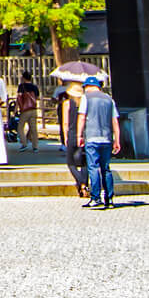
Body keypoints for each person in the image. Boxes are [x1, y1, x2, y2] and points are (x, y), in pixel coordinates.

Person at [79, 74, 120, 208]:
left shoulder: (86, 98)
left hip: (92, 137)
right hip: (107, 138)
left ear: (88, 86)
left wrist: (79, 135)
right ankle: (109, 198)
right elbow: (115, 121)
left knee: (93, 167)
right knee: (106, 169)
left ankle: (95, 198)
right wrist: (117, 140)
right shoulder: (109, 99)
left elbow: (82, 117)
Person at [57, 80, 89, 201]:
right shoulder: (85, 103)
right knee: (84, 162)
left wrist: (65, 137)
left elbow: (65, 122)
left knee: (70, 163)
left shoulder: (67, 104)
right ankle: (85, 184)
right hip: (83, 134)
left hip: (71, 133)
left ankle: (81, 183)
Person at [15, 78, 40, 152]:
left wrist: (16, 108)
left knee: (20, 127)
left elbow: (19, 98)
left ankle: (24, 143)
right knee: (33, 129)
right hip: (33, 109)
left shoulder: (21, 86)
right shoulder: (34, 87)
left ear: (23, 78)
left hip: (25, 110)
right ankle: (35, 146)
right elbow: (37, 97)